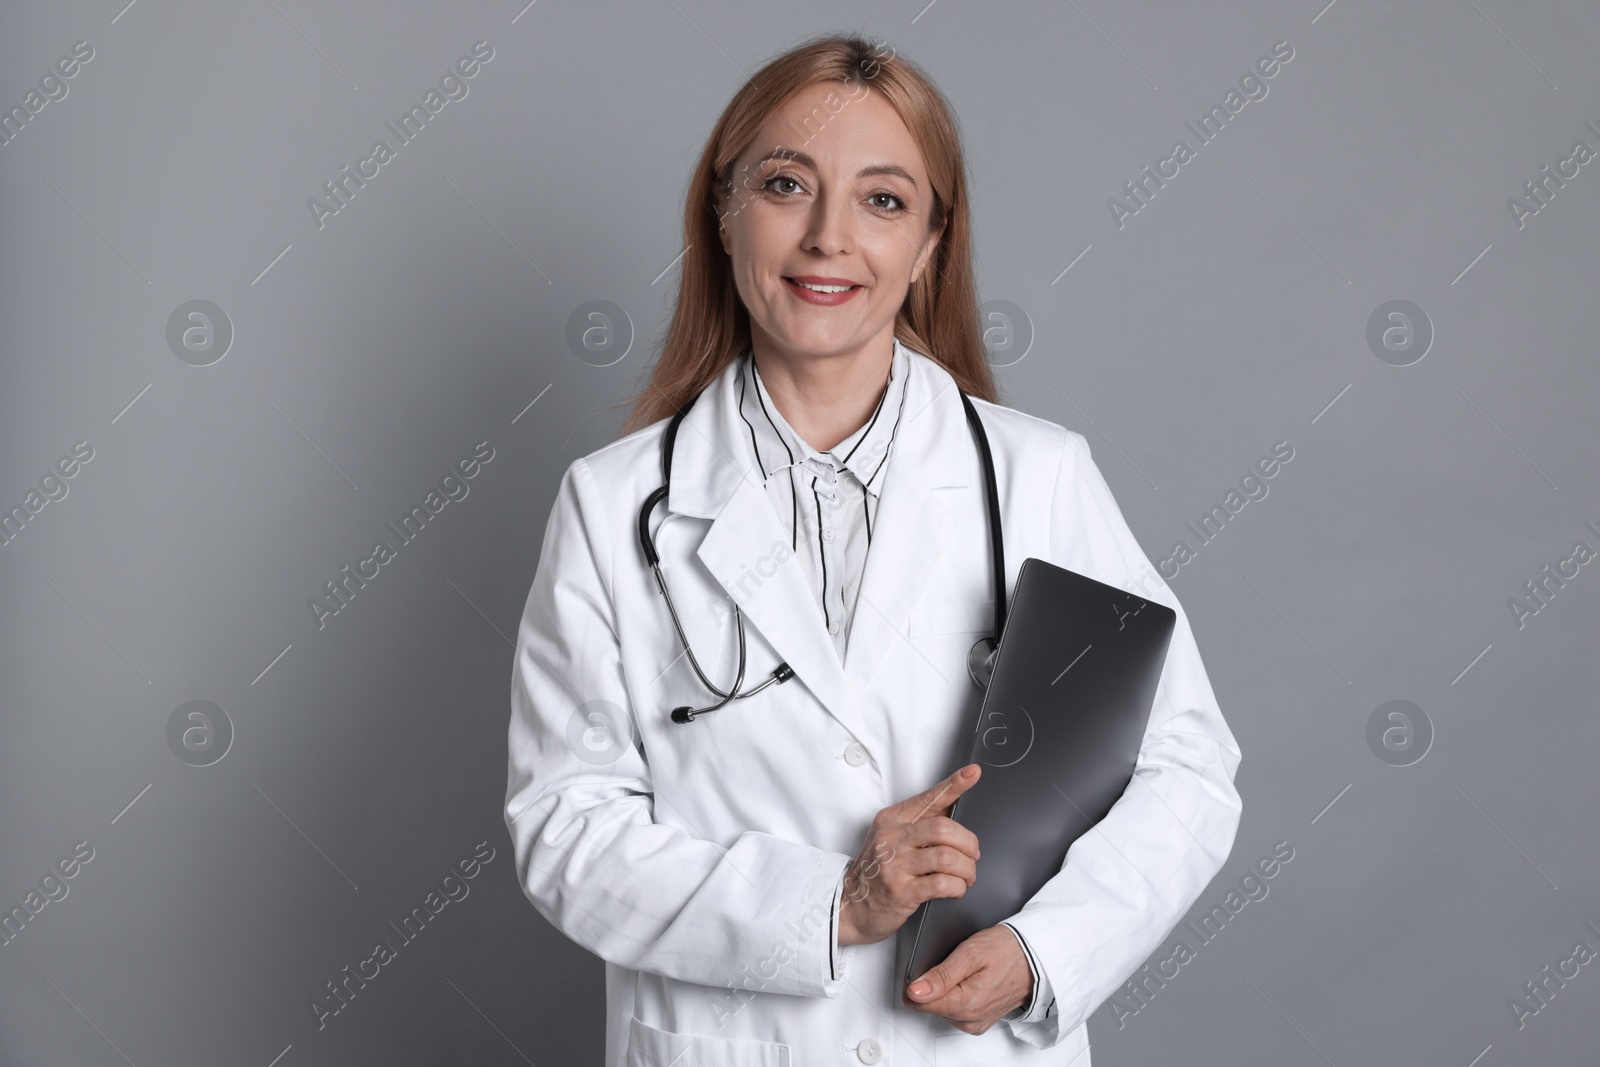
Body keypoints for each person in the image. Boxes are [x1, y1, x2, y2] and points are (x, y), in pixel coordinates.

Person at [503, 32, 1242, 1066]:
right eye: (785, 184)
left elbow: (1188, 768)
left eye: (882, 200)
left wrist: (1042, 951)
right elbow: (565, 828)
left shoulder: (1036, 478)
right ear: (723, 216)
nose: (827, 237)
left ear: (931, 242)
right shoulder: (614, 503)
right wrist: (830, 904)